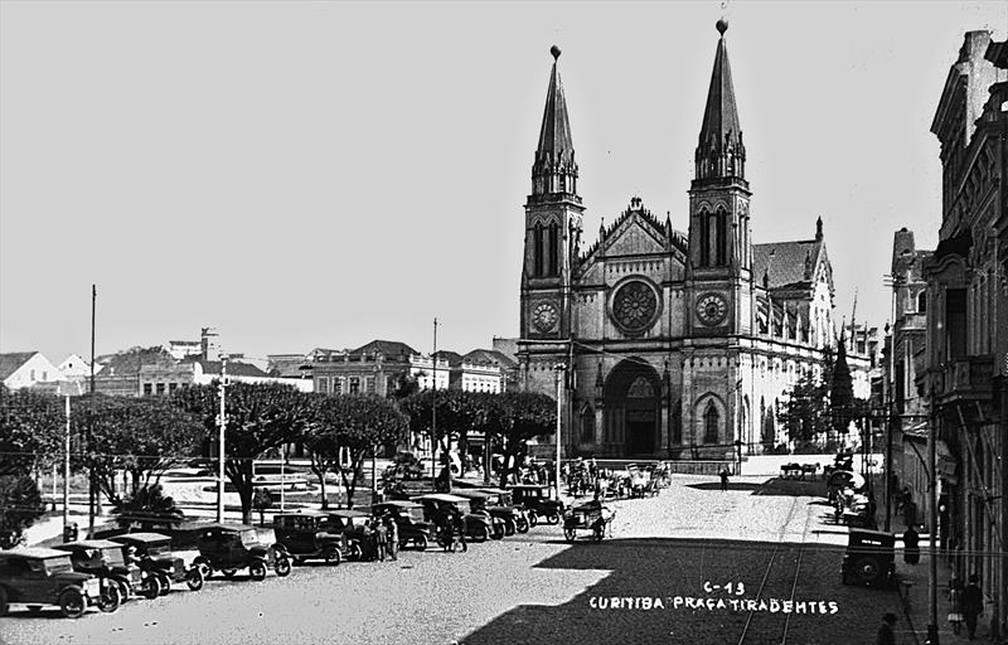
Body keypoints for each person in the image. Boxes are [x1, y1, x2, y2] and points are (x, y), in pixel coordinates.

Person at [962, 574, 984, 640]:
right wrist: (981, 609)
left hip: (967, 608)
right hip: (974, 608)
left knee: (968, 621)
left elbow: (962, 599)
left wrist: (962, 607)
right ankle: (972, 633)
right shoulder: (977, 590)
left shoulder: (966, 589)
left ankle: (969, 632)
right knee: (974, 621)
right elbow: (980, 600)